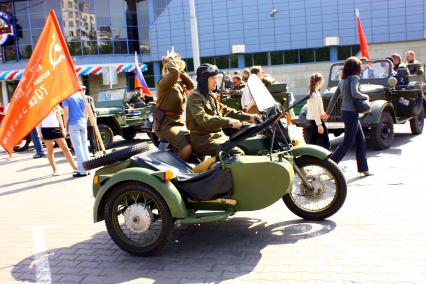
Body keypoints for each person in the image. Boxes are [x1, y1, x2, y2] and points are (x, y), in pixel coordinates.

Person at [186, 63, 259, 157]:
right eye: (212, 78)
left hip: (219, 136)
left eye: (216, 78)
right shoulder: (195, 97)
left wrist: (249, 117)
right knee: (237, 154)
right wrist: (228, 121)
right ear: (204, 80)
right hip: (203, 140)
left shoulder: (210, 95)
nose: (216, 81)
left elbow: (225, 110)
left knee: (249, 144)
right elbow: (203, 119)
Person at [324, 57, 373, 176]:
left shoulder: (342, 80)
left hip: (345, 113)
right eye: (360, 66)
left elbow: (333, 98)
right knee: (347, 143)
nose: (361, 68)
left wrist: (327, 113)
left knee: (360, 140)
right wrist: (366, 97)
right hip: (351, 114)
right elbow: (355, 93)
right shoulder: (354, 78)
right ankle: (330, 167)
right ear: (355, 67)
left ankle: (363, 169)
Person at [154, 51, 195, 160]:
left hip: (179, 122)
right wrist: (170, 60)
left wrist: (181, 71)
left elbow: (192, 86)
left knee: (198, 142)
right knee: (186, 148)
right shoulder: (163, 83)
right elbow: (173, 73)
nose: (178, 70)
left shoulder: (177, 84)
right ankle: (176, 171)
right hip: (166, 124)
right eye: (176, 67)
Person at [40, 106, 77, 175]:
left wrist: (63, 129)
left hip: (56, 128)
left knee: (65, 148)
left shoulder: (55, 104)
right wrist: (40, 133)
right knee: (50, 150)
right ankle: (55, 170)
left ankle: (74, 168)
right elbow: (39, 121)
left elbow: (59, 117)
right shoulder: (40, 105)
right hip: (45, 129)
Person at [63, 88, 91, 177]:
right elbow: (87, 111)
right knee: (84, 146)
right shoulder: (83, 96)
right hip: (83, 123)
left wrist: (65, 126)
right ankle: (88, 168)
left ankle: (82, 171)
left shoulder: (67, 97)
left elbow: (66, 113)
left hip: (73, 123)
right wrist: (85, 120)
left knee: (78, 148)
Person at [306, 73, 330, 150]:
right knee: (323, 140)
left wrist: (323, 114)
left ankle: (309, 155)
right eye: (322, 82)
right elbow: (315, 111)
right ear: (318, 82)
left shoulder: (315, 92)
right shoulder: (313, 94)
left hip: (317, 119)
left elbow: (319, 108)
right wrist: (319, 124)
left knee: (314, 139)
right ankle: (327, 156)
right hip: (316, 120)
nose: (322, 84)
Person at [85, 88, 97, 156]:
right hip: (82, 120)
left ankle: (94, 151)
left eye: (83, 89)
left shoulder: (89, 98)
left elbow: (93, 110)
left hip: (89, 121)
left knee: (91, 136)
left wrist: (94, 120)